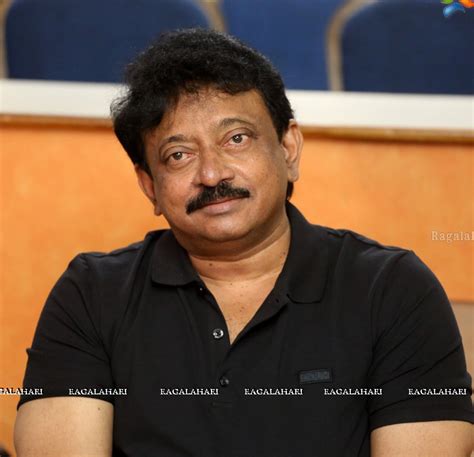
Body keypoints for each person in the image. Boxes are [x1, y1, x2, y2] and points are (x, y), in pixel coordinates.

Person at [14, 29, 472, 457]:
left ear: (288, 149)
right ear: (150, 185)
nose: (212, 173)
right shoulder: (92, 293)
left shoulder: (391, 288)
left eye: (236, 139)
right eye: (178, 155)